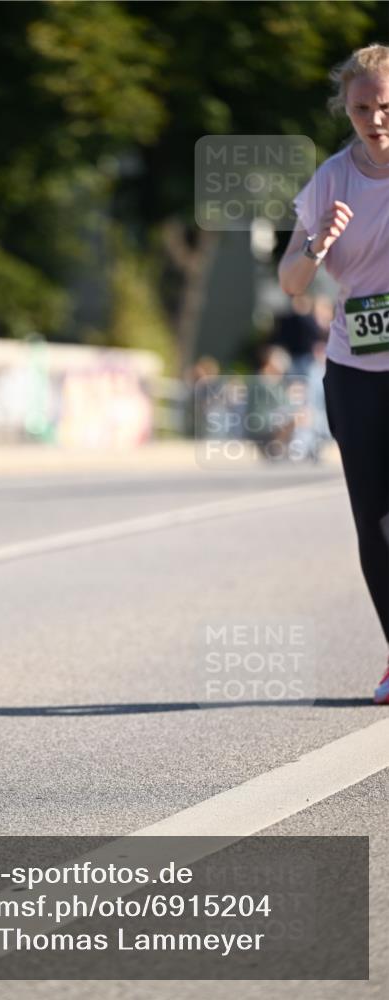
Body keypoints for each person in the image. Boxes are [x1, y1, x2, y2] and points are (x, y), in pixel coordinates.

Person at [278, 43, 389, 703]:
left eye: (385, 105)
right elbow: (291, 282)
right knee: (375, 524)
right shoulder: (331, 179)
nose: (375, 118)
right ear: (344, 108)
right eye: (361, 107)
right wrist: (317, 244)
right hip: (356, 370)